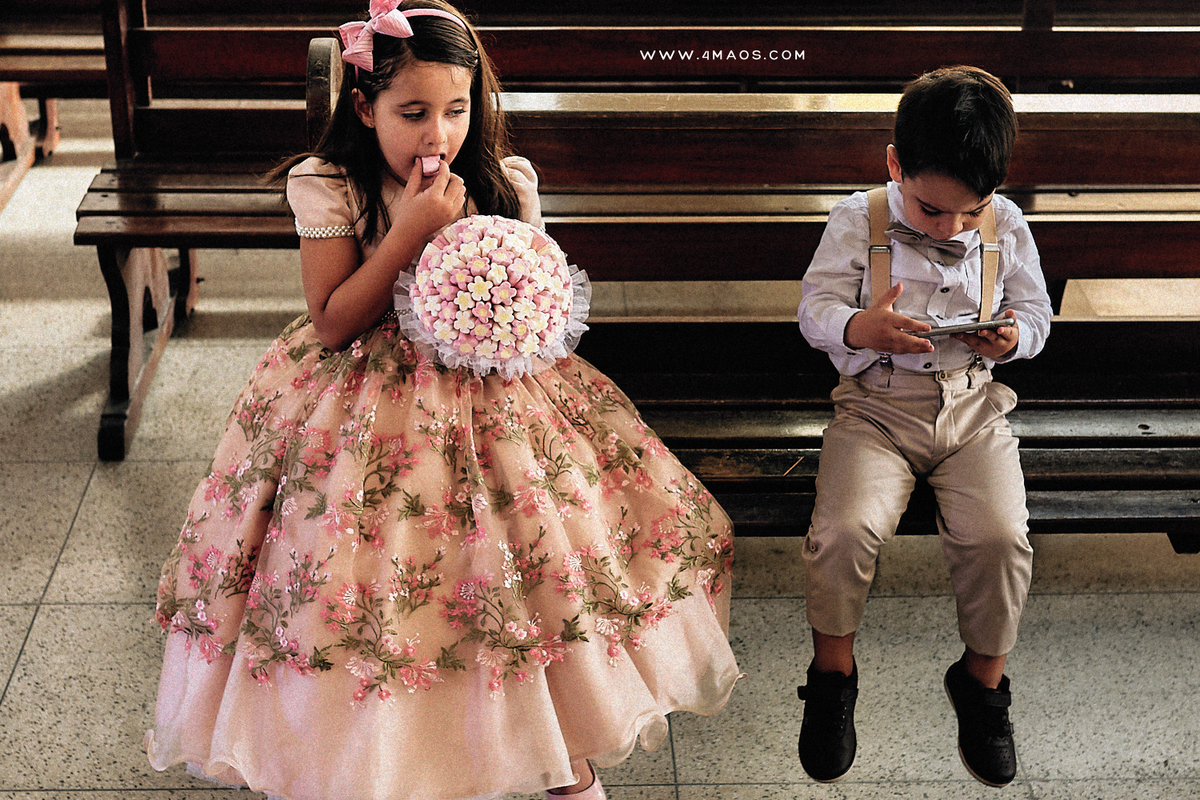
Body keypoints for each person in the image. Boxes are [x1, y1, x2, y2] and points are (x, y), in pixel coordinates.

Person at [143, 2, 740, 799]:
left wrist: (518, 309)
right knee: (386, 590)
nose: (438, 134)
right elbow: (332, 322)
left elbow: (535, 298)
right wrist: (410, 232)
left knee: (525, 577)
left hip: (499, 408)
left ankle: (565, 760)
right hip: (364, 416)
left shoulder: (505, 182)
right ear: (366, 108)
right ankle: (388, 755)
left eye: (456, 110)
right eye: (413, 113)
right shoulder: (331, 186)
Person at [794, 65, 1052, 787]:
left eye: (971, 212)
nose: (951, 228)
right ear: (894, 165)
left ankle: (982, 681)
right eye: (932, 210)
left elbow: (1037, 313)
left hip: (972, 409)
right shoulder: (859, 219)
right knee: (843, 531)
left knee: (1001, 537)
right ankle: (833, 676)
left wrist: (1013, 338)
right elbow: (814, 310)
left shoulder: (1007, 224)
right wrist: (859, 326)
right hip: (876, 408)